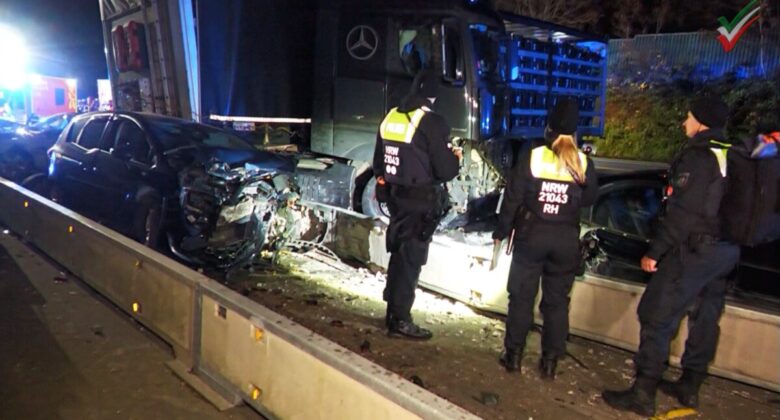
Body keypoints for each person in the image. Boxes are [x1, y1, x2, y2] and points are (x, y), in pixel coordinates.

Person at [602, 95, 740, 416]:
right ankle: (690, 386)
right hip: (725, 252)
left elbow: (682, 214)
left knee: (655, 314)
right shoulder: (733, 155)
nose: (684, 122)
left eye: (689, 117)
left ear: (702, 122)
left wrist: (655, 251)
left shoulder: (698, 158)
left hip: (694, 249)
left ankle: (643, 392)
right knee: (706, 316)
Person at [493, 97, 598, 378]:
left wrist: (501, 231)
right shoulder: (584, 163)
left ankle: (513, 356)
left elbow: (513, 198)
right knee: (557, 302)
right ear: (575, 132)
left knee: (521, 298)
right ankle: (549, 362)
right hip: (565, 240)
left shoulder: (534, 155)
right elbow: (589, 198)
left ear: (549, 128)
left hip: (531, 237)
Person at [372, 69, 461, 340]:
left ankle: (392, 311)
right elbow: (445, 171)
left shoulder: (391, 116)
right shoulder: (432, 122)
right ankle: (400, 320)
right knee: (411, 259)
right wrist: (454, 157)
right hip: (421, 200)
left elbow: (379, 162)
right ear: (433, 96)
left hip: (396, 197)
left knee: (400, 254)